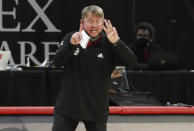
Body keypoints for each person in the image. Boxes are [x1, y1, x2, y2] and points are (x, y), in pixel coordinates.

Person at [51, 5, 137, 131]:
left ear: (102, 23)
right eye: (90, 21)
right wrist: (71, 45)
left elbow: (132, 62)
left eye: (98, 21)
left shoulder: (110, 43)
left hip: (96, 109)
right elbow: (56, 63)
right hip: (68, 106)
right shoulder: (72, 38)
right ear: (82, 22)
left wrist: (118, 43)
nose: (94, 25)